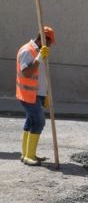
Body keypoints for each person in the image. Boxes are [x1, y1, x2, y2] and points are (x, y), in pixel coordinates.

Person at [16, 26, 55, 166]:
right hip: (29, 95)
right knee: (39, 122)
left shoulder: (39, 51)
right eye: (50, 42)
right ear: (44, 39)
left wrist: (46, 94)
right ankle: (29, 156)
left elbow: (41, 75)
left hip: (37, 94)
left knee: (31, 122)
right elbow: (26, 72)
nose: (51, 45)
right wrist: (39, 58)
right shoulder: (28, 51)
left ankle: (26, 154)